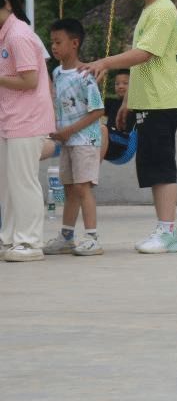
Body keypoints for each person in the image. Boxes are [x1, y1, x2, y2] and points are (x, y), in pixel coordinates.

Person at [83, 0, 177, 254]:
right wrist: (128, 100)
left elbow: (145, 54)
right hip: (148, 101)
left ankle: (168, 232)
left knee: (161, 166)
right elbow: (144, 63)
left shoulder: (163, 11)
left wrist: (105, 62)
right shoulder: (150, 9)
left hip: (161, 102)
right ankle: (164, 228)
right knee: (152, 167)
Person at [0, 0, 56, 261]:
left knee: (23, 182)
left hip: (27, 119)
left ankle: (30, 242)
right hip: (9, 120)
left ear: (7, 5)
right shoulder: (6, 34)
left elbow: (30, 80)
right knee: (8, 185)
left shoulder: (18, 35)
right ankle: (9, 239)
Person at [44, 18, 105, 257]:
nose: (54, 47)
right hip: (67, 140)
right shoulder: (57, 73)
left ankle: (92, 238)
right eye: (52, 42)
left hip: (85, 140)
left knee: (82, 187)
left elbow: (97, 110)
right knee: (69, 188)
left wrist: (70, 130)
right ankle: (67, 237)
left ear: (75, 43)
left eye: (58, 42)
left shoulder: (85, 75)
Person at [101, 70, 136, 163]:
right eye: (117, 84)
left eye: (125, 83)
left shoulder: (136, 106)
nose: (120, 86)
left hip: (123, 144)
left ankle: (93, 155)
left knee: (101, 130)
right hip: (109, 141)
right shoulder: (112, 103)